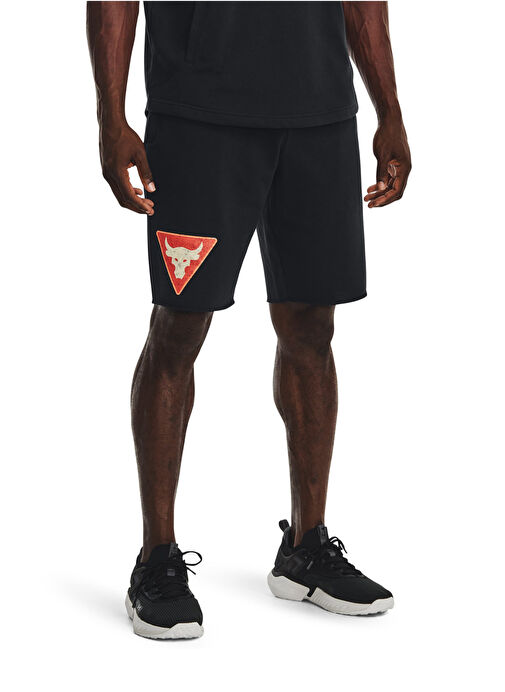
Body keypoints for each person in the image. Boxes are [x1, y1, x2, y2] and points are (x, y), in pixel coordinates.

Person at [87, 1, 411, 639]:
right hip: (198, 116)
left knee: (312, 328)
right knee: (180, 328)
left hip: (320, 113)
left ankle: (306, 547)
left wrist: (390, 111)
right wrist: (110, 116)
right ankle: (156, 559)